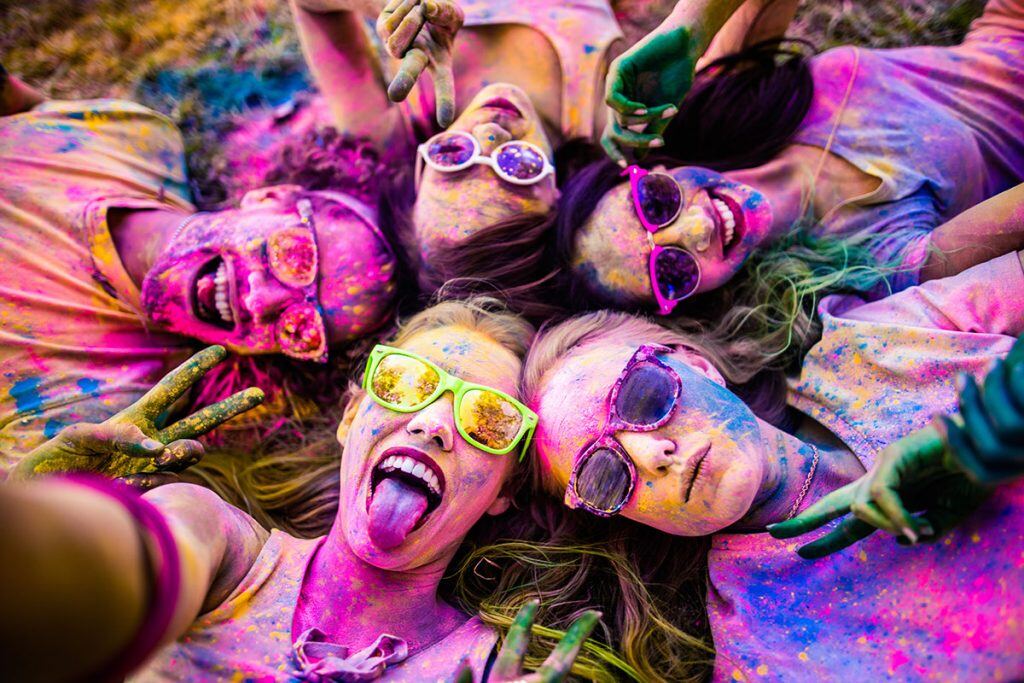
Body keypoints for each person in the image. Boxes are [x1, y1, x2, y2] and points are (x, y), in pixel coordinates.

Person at [0, 298, 606, 682]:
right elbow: (124, 565)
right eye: (404, 383)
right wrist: (40, 517)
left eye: (490, 419)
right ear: (351, 418)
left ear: (507, 487)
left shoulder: (505, 671)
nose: (431, 423)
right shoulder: (223, 550)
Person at [522, 253, 1024, 679]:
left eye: (643, 396)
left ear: (696, 365)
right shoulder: (758, 651)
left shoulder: (876, 344)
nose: (652, 456)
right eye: (604, 475)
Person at [0, 70, 399, 471]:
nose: (262, 302)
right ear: (271, 198)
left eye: (301, 329)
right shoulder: (137, 138)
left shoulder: (94, 406)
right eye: (294, 255)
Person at [288, 0, 639, 294]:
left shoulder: (396, 130)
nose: (490, 136)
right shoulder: (610, 115)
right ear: (557, 197)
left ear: (419, 175)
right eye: (516, 167)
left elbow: (310, 6)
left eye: (454, 157)